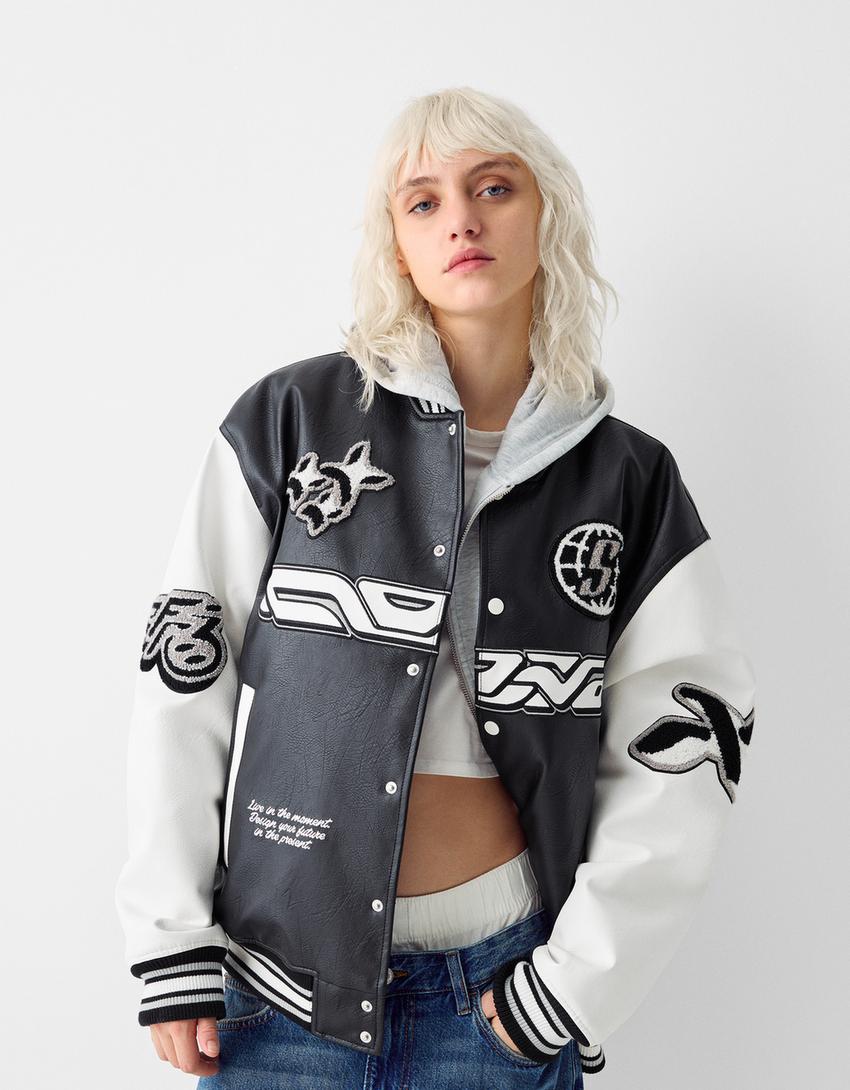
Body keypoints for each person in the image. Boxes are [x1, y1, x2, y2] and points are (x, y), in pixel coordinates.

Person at [114, 86, 756, 1088]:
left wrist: (572, 988)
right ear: (396, 245)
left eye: (493, 187)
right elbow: (184, 675)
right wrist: (171, 937)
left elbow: (688, 746)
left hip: (501, 1007)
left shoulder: (630, 481)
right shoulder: (289, 422)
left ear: (548, 214)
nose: (461, 218)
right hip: (275, 1003)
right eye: (423, 201)